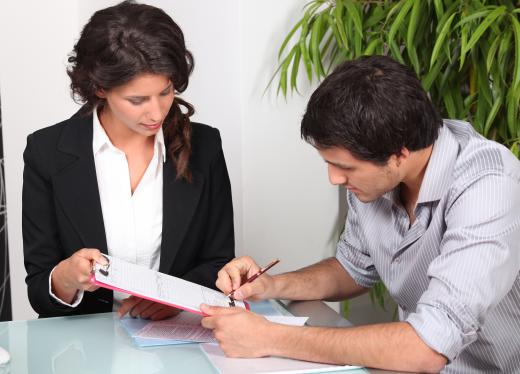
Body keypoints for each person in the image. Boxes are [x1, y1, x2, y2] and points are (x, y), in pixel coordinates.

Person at [201, 56, 520, 373]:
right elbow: (352, 268)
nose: (334, 179)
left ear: (400, 153)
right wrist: (271, 286)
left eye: (344, 167)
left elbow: (428, 346)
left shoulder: (488, 186)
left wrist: (271, 337)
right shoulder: (377, 182)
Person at [22, 1, 234, 319]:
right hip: (83, 352)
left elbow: (218, 263)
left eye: (166, 92)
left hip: (175, 342)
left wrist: (171, 301)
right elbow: (39, 290)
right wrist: (65, 278)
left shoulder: (206, 146)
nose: (157, 112)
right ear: (100, 88)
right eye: (137, 100)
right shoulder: (47, 152)